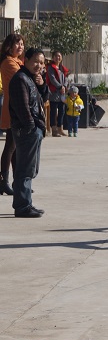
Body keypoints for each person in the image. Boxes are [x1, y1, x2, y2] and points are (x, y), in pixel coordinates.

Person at [8, 47, 48, 218]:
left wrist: (42, 85)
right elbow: (23, 107)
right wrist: (31, 126)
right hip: (27, 130)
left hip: (34, 129)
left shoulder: (31, 78)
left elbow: (43, 100)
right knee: (25, 168)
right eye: (36, 61)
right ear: (26, 60)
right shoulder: (20, 79)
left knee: (30, 168)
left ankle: (26, 203)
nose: (39, 65)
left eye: (42, 63)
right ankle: (22, 206)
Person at [0, 33, 25, 196]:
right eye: (17, 44)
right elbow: (23, 78)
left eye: (22, 44)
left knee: (15, 147)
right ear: (9, 46)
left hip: (17, 108)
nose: (20, 46)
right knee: (10, 146)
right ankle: (4, 181)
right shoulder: (9, 62)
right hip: (13, 108)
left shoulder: (18, 62)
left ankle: (17, 182)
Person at [46, 51, 69, 137]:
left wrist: (64, 86)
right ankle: (54, 129)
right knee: (53, 112)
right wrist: (60, 87)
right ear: (53, 57)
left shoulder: (62, 68)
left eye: (59, 56)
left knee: (62, 111)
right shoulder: (50, 68)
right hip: (54, 93)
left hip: (62, 93)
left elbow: (66, 78)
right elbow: (52, 79)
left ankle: (60, 128)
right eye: (56, 56)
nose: (57, 58)